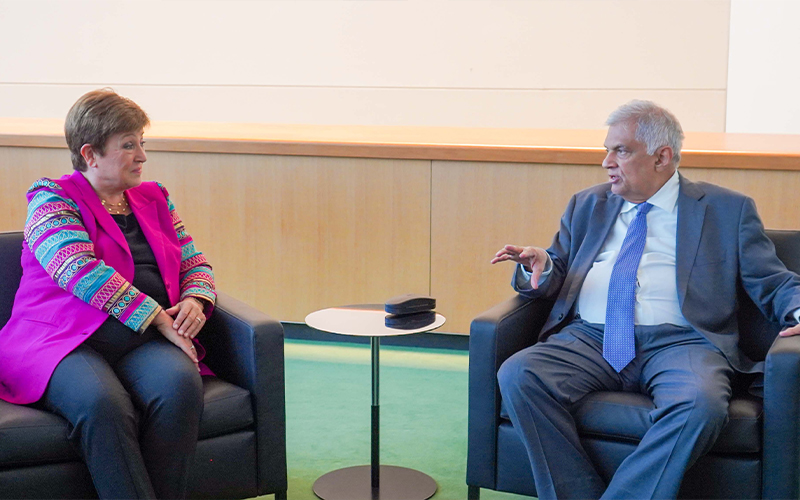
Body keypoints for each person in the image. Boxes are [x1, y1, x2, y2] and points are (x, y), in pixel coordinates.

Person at [490, 100, 800, 500]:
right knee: (519, 374)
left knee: (700, 404)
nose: (606, 162)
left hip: (683, 342)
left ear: (662, 156)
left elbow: (770, 279)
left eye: (620, 151)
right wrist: (543, 265)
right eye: (607, 150)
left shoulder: (727, 209)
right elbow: (558, 268)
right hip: (590, 338)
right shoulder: (587, 204)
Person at [0, 89, 216, 499]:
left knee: (180, 388)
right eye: (129, 145)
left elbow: (194, 261)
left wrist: (196, 300)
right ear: (90, 154)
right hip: (60, 340)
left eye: (142, 143)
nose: (142, 156)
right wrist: (158, 317)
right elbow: (78, 270)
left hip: (138, 340)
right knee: (103, 403)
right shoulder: (51, 198)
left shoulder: (156, 197)